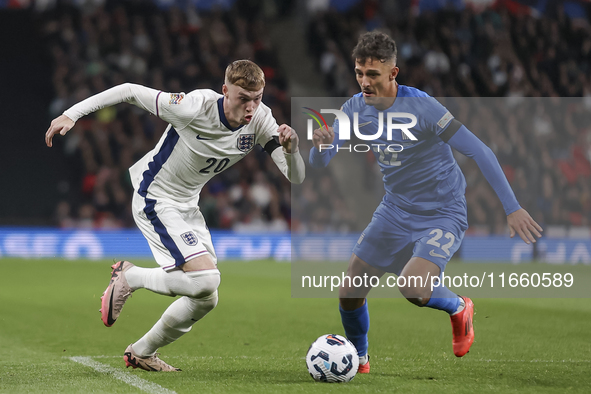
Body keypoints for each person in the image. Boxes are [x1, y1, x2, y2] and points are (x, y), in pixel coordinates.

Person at [46, 60, 305, 371]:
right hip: (155, 197)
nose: (251, 107)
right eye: (243, 98)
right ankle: (130, 276)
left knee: (206, 297)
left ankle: (142, 351)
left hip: (187, 206)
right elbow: (129, 91)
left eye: (257, 98)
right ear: (225, 91)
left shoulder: (261, 120)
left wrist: (292, 150)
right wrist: (72, 114)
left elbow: (296, 177)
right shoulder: (194, 107)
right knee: (206, 279)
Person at [308, 32, 542, 373]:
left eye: (372, 75)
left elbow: (479, 150)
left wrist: (512, 207)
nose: (364, 82)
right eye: (359, 73)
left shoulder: (423, 106)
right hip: (395, 209)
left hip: (442, 212)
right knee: (349, 288)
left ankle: (460, 306)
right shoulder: (354, 109)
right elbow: (320, 163)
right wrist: (322, 146)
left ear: (393, 74)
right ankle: (359, 359)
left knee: (413, 287)